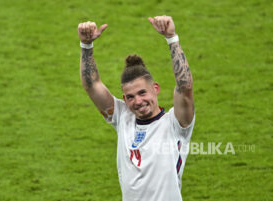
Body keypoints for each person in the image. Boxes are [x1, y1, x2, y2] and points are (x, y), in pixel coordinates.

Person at [78, 15, 195, 201]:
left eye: (142, 93)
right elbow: (92, 85)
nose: (138, 101)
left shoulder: (176, 124)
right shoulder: (123, 117)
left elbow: (185, 87)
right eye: (130, 97)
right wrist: (86, 46)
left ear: (155, 89)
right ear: (124, 98)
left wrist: (172, 38)